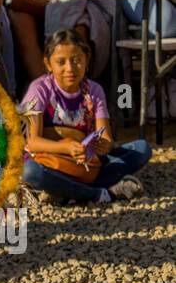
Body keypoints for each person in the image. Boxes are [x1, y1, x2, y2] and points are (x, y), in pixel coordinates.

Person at [21, 28, 151, 202]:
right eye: (61, 62)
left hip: (87, 165)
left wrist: (103, 146)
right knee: (30, 172)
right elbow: (33, 142)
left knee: (142, 149)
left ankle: (64, 191)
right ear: (47, 63)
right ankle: (100, 194)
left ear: (87, 60)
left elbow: (106, 138)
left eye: (76, 61)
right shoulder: (39, 89)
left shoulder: (94, 90)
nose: (70, 68)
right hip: (51, 162)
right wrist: (67, 148)